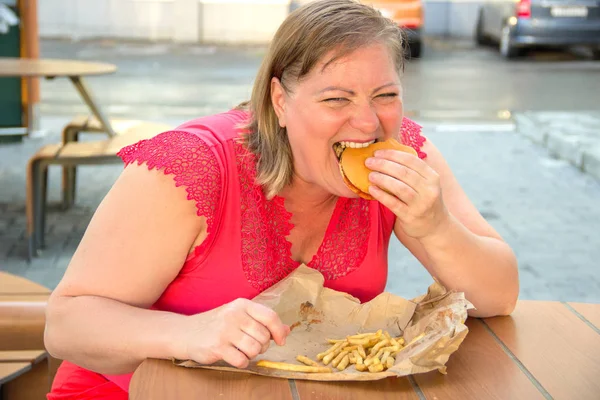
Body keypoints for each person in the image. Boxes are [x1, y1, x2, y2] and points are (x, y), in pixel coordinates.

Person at [44, 0, 519, 398]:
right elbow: (65, 325)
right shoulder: (192, 166)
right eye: (336, 99)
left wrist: (435, 228)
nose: (369, 123)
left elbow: (499, 296)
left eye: (385, 95)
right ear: (279, 101)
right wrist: (187, 333)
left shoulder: (407, 156)